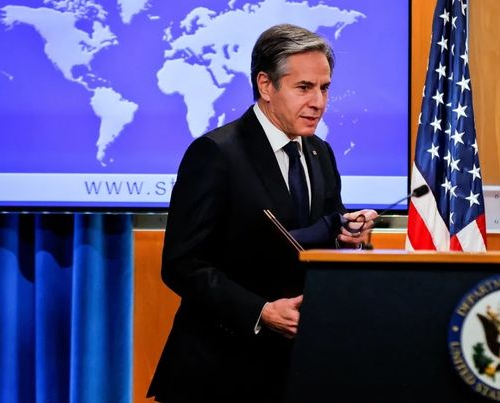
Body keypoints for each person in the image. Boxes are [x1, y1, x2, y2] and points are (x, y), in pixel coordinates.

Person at [147, 23, 378, 403]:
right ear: (266, 85)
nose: (318, 102)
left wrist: (349, 238)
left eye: (324, 88)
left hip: (297, 369)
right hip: (220, 372)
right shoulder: (216, 154)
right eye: (304, 87)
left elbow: (320, 240)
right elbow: (181, 264)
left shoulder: (320, 153)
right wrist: (260, 311)